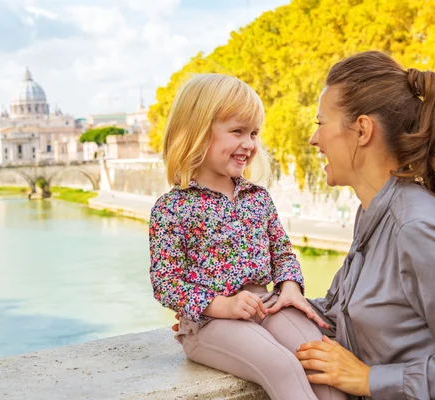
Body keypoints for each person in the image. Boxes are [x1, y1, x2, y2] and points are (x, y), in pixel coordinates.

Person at [293, 51, 435, 399]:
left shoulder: (416, 227)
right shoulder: (372, 212)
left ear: (362, 130)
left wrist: (369, 379)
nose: (314, 140)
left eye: (321, 123)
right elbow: (344, 313)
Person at [148, 73, 346, 400]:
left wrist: (290, 287)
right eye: (237, 131)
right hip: (208, 322)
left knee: (318, 358)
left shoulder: (258, 197)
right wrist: (221, 306)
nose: (250, 144)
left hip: (265, 303)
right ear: (196, 132)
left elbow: (282, 254)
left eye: (254, 133)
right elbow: (165, 281)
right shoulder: (172, 207)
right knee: (281, 365)